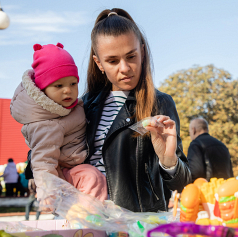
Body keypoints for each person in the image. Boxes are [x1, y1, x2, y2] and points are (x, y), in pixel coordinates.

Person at [82, 8, 191, 212]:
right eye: (112, 61)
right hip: (89, 220)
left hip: (137, 225)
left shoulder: (159, 103)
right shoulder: (84, 106)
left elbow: (182, 184)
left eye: (131, 56)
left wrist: (169, 161)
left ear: (142, 52)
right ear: (99, 63)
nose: (124, 68)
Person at [10, 43, 107, 203]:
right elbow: (42, 159)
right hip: (63, 173)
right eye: (59, 85)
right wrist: (48, 191)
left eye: (73, 83)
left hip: (73, 164)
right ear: (43, 89)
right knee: (92, 178)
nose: (67, 90)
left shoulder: (69, 107)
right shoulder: (47, 123)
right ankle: (87, 222)